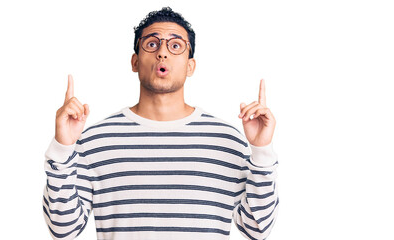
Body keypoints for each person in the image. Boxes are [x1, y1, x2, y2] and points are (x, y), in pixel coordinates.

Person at [42, 7, 279, 240]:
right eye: (152, 44)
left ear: (190, 66)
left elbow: (257, 230)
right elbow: (63, 229)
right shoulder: (96, 140)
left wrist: (262, 152)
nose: (162, 53)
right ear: (135, 62)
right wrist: (62, 149)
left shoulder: (227, 141)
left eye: (175, 45)